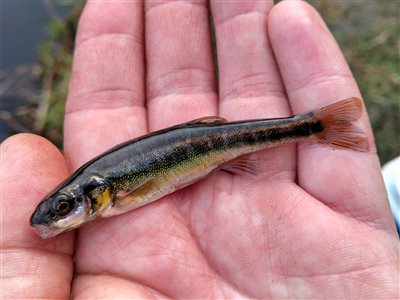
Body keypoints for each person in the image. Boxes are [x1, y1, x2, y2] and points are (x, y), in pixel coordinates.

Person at [2, 1, 398, 298]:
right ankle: (311, 126)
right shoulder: (104, 190)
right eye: (61, 210)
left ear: (93, 193)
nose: (57, 218)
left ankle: (313, 126)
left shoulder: (113, 193)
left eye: (63, 208)